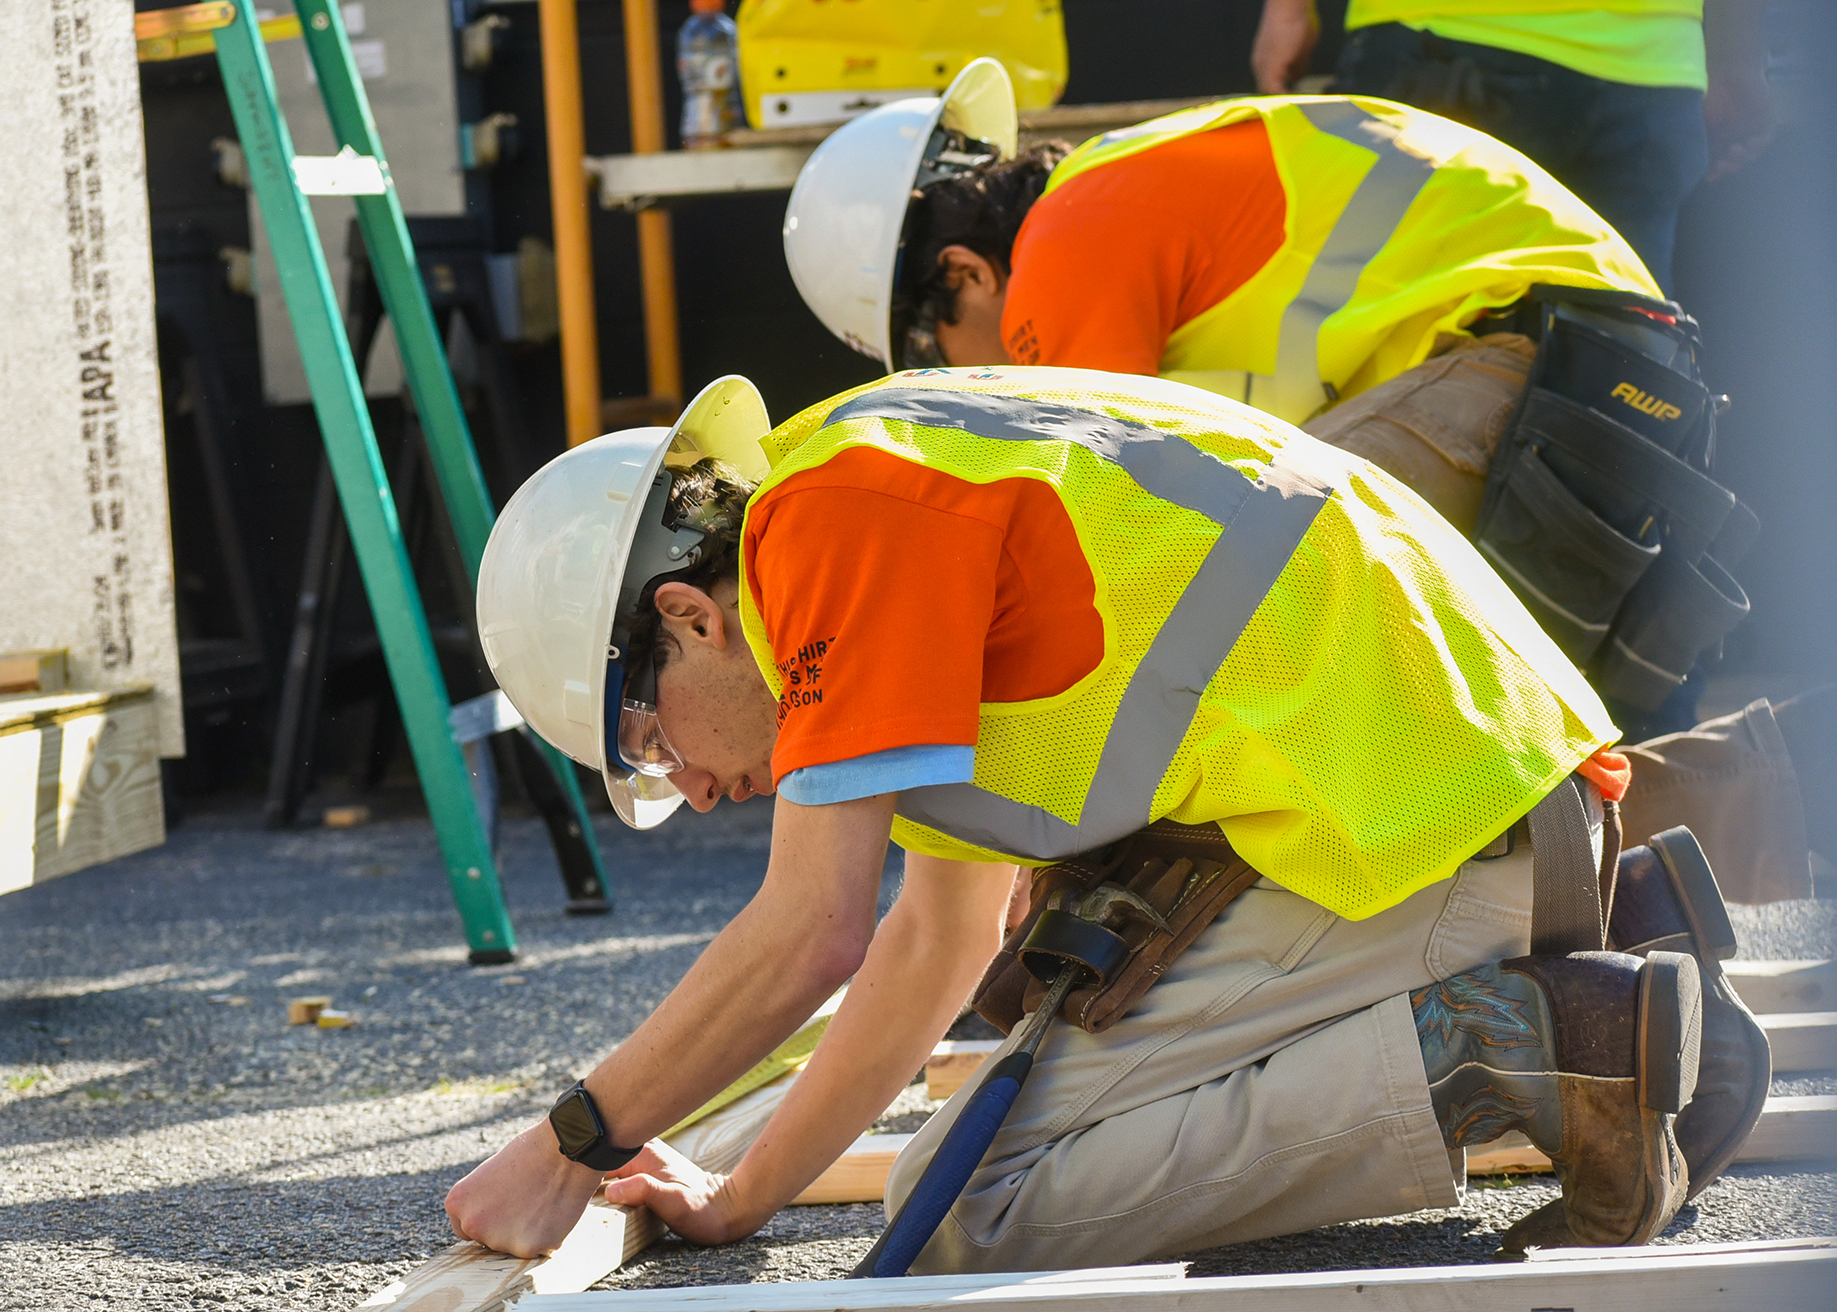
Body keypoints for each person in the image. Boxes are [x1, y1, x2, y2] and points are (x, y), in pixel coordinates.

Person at [447, 366, 1765, 1269]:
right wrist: (735, 1201)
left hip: (1429, 825)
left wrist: (574, 1143)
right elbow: (930, 942)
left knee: (979, 1210)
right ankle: (1610, 950)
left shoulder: (833, 536)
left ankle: (1542, 1033)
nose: (695, 784)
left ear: (685, 618)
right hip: (1464, 799)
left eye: (651, 740)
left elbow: (812, 932)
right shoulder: (871, 479)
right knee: (970, 1166)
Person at [781, 60, 1814, 886]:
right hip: (1602, 380)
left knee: (1278, 647)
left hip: (1536, 368)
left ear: (962, 273)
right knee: (1476, 764)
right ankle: (1797, 784)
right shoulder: (1142, 193)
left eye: (931, 351)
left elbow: (1097, 539)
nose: (961, 378)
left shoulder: (1067, 240)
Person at [1251, 0, 1778, 294]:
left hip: (1446, 41)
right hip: (1648, 68)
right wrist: (1737, 59)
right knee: (1614, 375)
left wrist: (1288, 11)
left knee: (1395, 349)